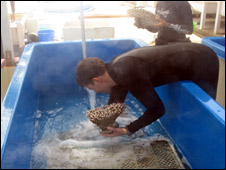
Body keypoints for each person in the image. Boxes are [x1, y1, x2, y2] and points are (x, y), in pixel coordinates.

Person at [76, 43, 219, 137]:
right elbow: (116, 99)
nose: (96, 92)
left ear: (97, 80)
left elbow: (157, 109)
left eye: (93, 89)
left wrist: (127, 130)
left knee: (205, 109)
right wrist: (108, 122)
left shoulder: (129, 73)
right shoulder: (115, 70)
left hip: (202, 59)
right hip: (189, 54)